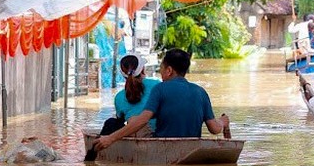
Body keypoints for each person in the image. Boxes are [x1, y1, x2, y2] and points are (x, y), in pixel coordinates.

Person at [91, 49, 230, 151]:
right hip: (192, 145)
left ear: (169, 71)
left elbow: (142, 120)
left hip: (162, 147)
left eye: (161, 68)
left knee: (131, 120)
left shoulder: (160, 89)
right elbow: (214, 129)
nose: (160, 72)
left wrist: (110, 138)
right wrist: (223, 122)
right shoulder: (201, 92)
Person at [99, 54, 158, 136]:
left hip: (134, 134)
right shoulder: (157, 85)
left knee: (111, 122)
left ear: (122, 73)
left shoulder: (119, 97)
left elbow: (120, 120)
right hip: (157, 131)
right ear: (142, 69)